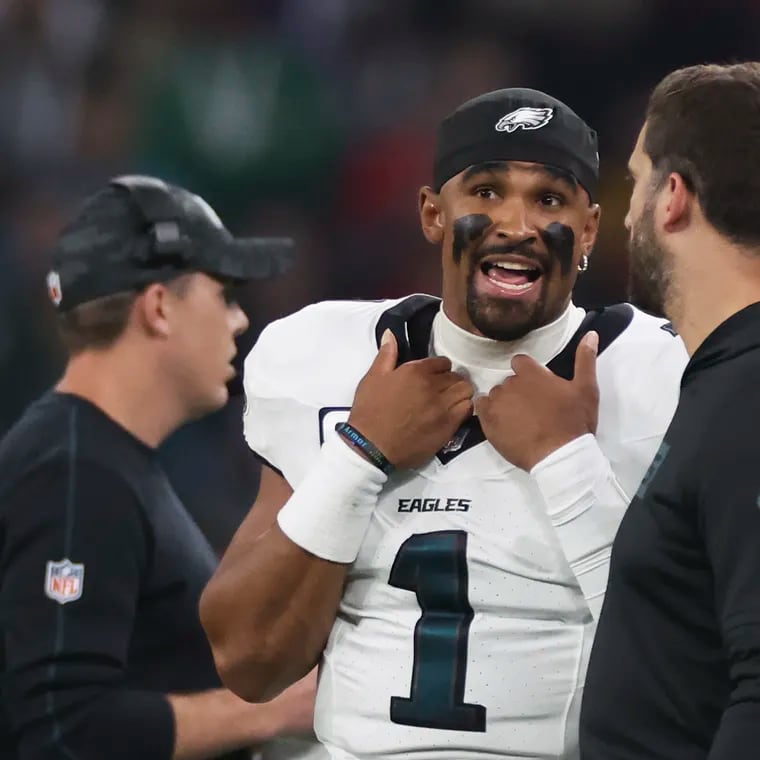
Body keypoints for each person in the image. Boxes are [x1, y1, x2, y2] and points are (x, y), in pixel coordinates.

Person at [200, 89, 688, 759]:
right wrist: (360, 453)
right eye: (486, 192)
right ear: (433, 213)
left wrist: (566, 461)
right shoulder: (322, 357)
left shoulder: (665, 372)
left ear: (590, 228)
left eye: (548, 200)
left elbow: (698, 668)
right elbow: (248, 659)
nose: (514, 223)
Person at [0, 174, 318, 760]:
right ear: (159, 307)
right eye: (223, 294)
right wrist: (271, 708)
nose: (240, 320)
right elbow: (62, 729)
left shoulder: (101, 460)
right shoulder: (74, 473)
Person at [579, 62, 760, 760]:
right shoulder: (725, 379)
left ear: (673, 198)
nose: (623, 213)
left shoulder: (747, 391)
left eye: (636, 178)